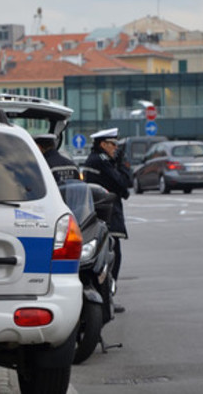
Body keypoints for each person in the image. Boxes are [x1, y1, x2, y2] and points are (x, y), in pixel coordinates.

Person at [81, 128, 131, 313]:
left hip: (98, 214)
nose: (115, 149)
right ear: (103, 144)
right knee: (111, 256)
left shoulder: (94, 159)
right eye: (113, 145)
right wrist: (123, 164)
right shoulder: (102, 161)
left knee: (106, 256)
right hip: (107, 215)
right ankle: (107, 296)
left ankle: (105, 296)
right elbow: (122, 184)